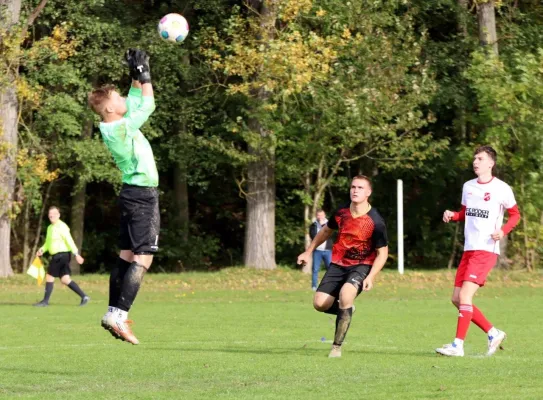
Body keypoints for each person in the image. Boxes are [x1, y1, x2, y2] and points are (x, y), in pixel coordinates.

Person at [88, 49, 159, 345]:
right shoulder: (119, 128)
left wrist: (133, 77)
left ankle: (112, 312)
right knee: (143, 258)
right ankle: (119, 313)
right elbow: (148, 105)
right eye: (117, 99)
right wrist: (145, 76)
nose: (122, 102)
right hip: (142, 197)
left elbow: (132, 102)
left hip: (132, 195)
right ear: (109, 110)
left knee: (126, 256)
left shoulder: (112, 122)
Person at [435, 145, 521, 357]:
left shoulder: (502, 188)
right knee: (456, 298)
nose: (475, 162)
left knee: (465, 295)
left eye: (480, 159)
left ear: (491, 163)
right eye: (475, 159)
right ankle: (493, 332)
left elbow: (515, 215)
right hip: (469, 249)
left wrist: (503, 230)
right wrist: (452, 215)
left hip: (486, 250)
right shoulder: (468, 186)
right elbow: (465, 212)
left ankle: (458, 345)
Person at [297, 175, 389, 358]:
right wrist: (308, 251)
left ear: (368, 193)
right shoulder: (341, 213)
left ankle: (336, 347)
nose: (355, 190)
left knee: (346, 294)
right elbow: (325, 231)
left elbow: (383, 253)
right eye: (353, 187)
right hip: (338, 264)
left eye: (360, 188)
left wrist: (371, 277)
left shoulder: (375, 221)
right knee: (319, 303)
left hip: (362, 265)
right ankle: (346, 309)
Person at [33, 206, 88, 307]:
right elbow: (48, 243)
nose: (51, 215)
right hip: (59, 256)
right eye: (50, 213)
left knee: (49, 276)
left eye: (54, 213)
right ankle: (84, 296)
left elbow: (69, 240)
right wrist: (42, 249)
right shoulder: (50, 228)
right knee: (65, 279)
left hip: (61, 255)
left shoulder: (62, 226)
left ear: (58, 215)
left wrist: (76, 254)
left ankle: (45, 302)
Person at [309, 209, 333, 291]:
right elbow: (312, 236)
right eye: (318, 215)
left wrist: (323, 225)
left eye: (321, 215)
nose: (320, 217)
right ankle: (314, 286)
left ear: (324, 215)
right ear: (316, 216)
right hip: (317, 250)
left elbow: (330, 234)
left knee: (330, 269)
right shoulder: (313, 225)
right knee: (315, 269)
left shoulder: (329, 224)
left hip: (327, 250)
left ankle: (330, 285)